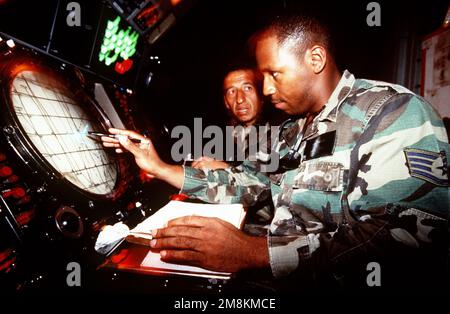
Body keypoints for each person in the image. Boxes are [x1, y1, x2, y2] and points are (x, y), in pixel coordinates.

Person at [102, 15, 449, 293]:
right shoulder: (291, 129)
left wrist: (253, 253)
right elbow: (249, 180)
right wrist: (160, 167)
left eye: (274, 74)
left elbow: (407, 237)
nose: (266, 89)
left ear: (315, 59)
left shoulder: (393, 112)